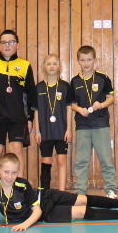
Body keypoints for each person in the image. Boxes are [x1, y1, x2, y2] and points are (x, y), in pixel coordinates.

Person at [0, 153, 118, 232]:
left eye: (13, 173)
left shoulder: (23, 185)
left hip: (46, 197)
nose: (9, 176)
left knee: (83, 199)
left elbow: (35, 210)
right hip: (46, 214)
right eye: (6, 172)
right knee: (81, 212)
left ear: (18, 172)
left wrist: (25, 225)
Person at [0, 30, 35, 198]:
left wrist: (30, 117)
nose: (7, 45)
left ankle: (18, 192)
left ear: (17, 45)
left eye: (11, 42)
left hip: (18, 117)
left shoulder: (25, 65)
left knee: (16, 149)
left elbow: (31, 94)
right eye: (4, 42)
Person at [70, 46, 118, 198]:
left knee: (105, 159)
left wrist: (101, 105)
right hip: (82, 125)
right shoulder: (75, 81)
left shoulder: (103, 78)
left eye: (89, 59)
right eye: (83, 60)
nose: (86, 63)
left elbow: (111, 98)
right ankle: (80, 192)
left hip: (100, 124)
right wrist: (79, 109)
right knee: (81, 161)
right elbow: (72, 104)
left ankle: (111, 190)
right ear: (78, 61)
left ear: (95, 60)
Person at [31, 54, 73, 191]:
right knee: (46, 161)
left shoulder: (65, 86)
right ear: (44, 67)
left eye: (55, 63)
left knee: (61, 160)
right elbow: (36, 111)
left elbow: (69, 109)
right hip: (45, 131)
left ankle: (62, 193)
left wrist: (69, 129)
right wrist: (37, 131)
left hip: (61, 131)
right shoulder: (38, 88)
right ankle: (44, 194)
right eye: (49, 64)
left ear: (59, 66)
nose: (52, 66)